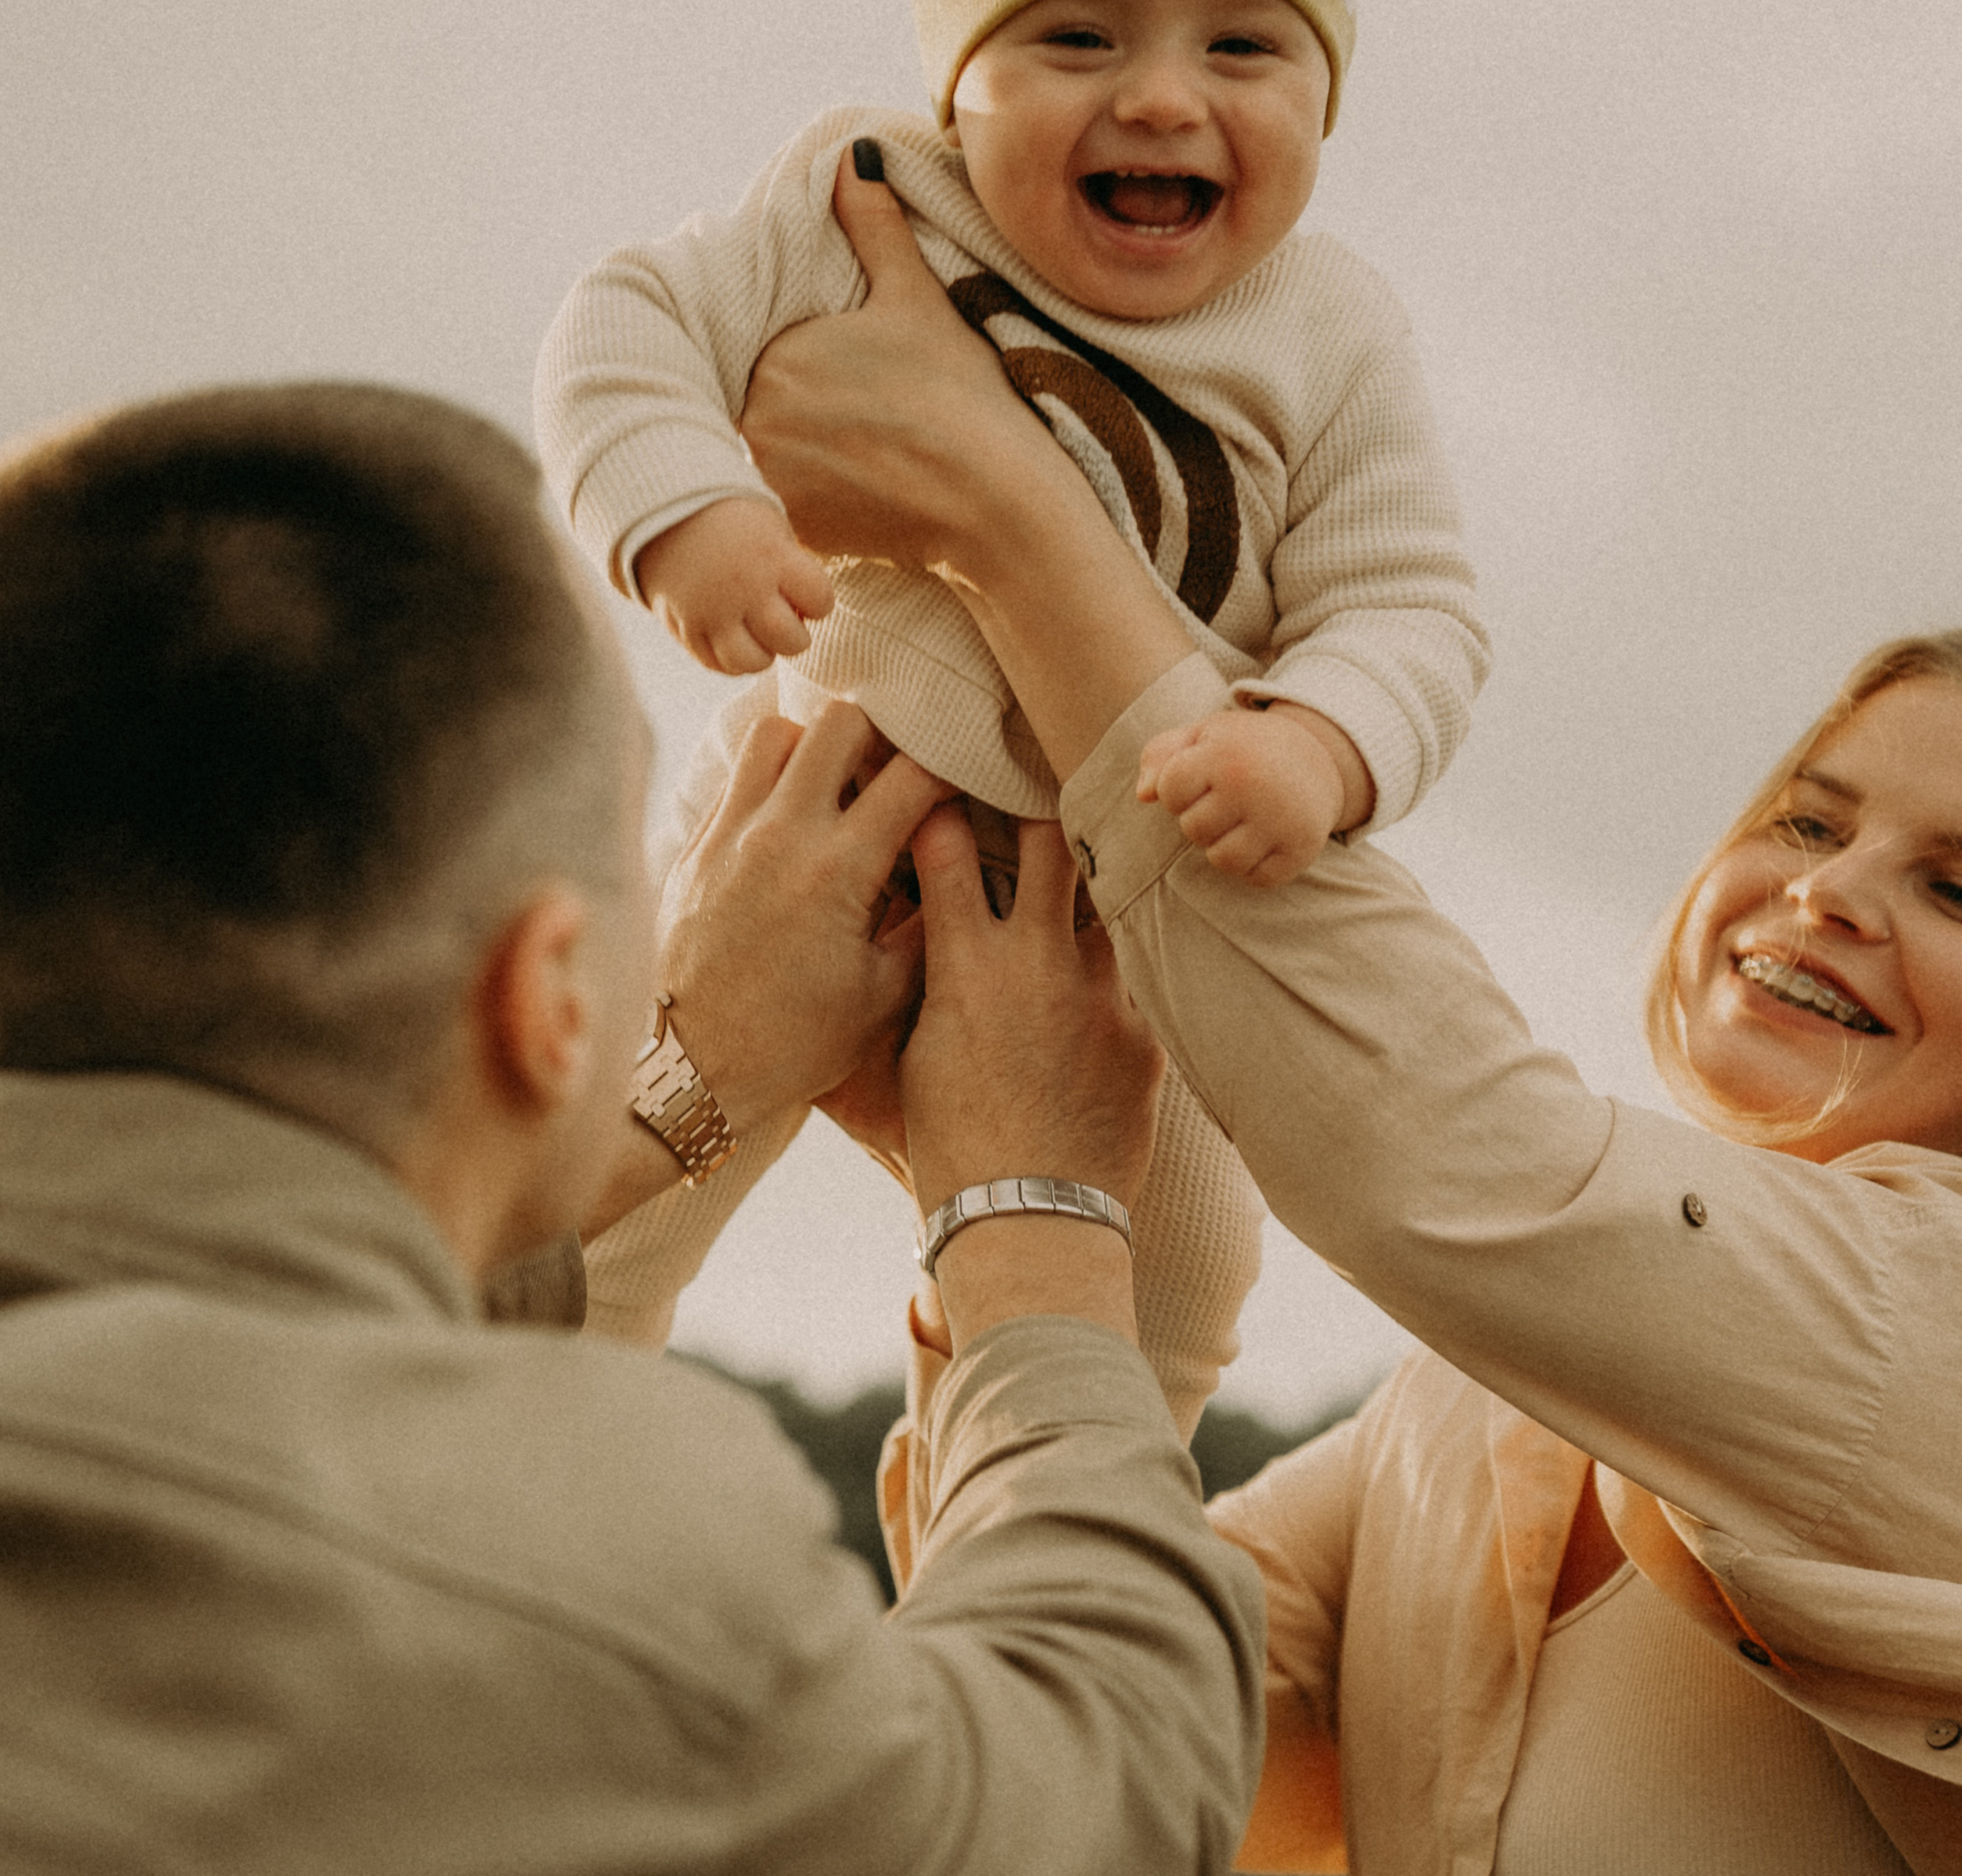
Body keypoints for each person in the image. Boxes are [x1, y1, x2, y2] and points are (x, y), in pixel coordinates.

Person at [729, 167, 1962, 1872]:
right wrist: (1006, 1141)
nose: (1826, 892)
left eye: (1953, 889)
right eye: (1806, 820)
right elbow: (1090, 1734)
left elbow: (1451, 1150)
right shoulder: (1468, 1417)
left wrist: (1011, 522)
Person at [0, 383, 1267, 1874]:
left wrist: (679, 1083)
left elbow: (221, 1291)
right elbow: (1098, 1796)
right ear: (549, 988)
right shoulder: (604, 1574)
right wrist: (1038, 1225)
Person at [534, 0, 1487, 1428]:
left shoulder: (1331, 330)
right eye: (1077, 40)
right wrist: (683, 511)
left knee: (1177, 1271)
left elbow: (1409, 609)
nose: (1164, 99)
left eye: (1240, 47)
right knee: (625, 1178)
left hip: (1107, 904)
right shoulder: (870, 194)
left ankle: (1032, 1523)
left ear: (1324, 100)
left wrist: (1315, 739)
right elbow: (628, 316)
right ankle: (524, 1466)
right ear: (955, 81)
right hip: (808, 798)